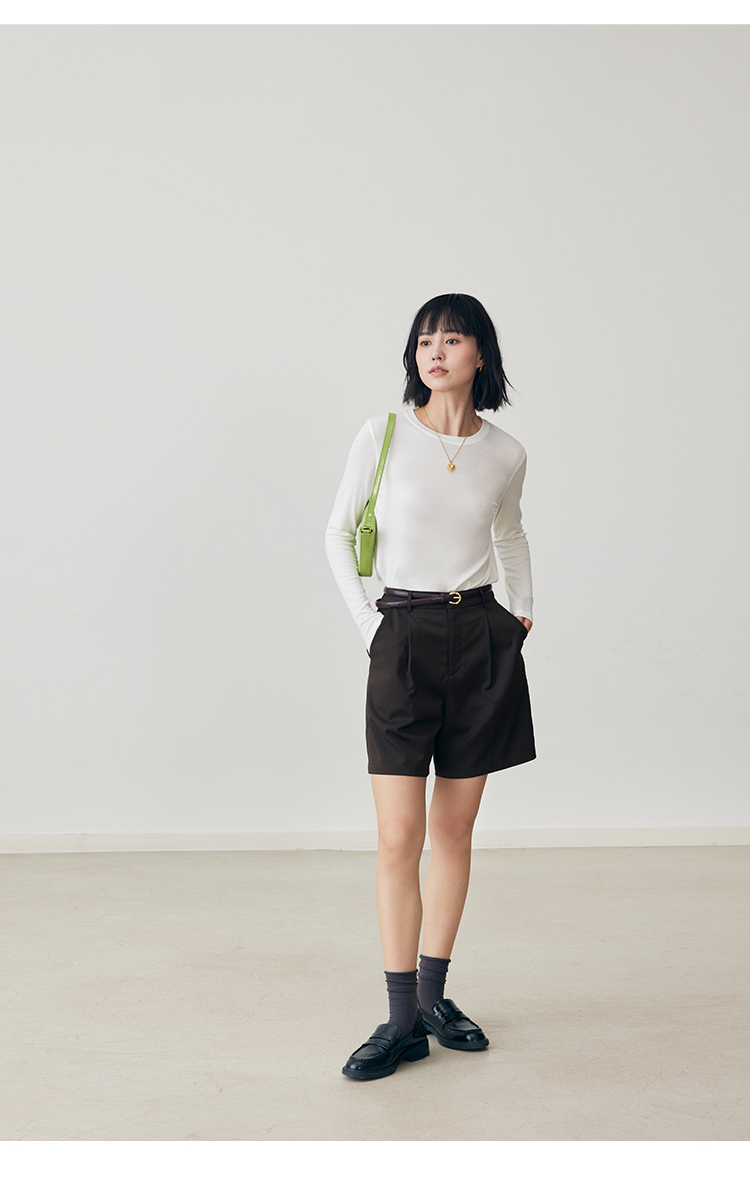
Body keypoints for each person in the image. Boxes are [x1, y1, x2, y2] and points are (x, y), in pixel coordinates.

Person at [324, 292, 536, 1082]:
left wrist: (521, 612)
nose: (435, 352)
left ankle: (435, 998)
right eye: (423, 340)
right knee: (397, 838)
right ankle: (401, 1020)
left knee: (453, 832)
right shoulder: (382, 435)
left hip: (479, 639)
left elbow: (509, 532)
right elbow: (338, 531)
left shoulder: (505, 453)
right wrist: (369, 625)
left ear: (481, 354)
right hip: (402, 637)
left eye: (451, 339)